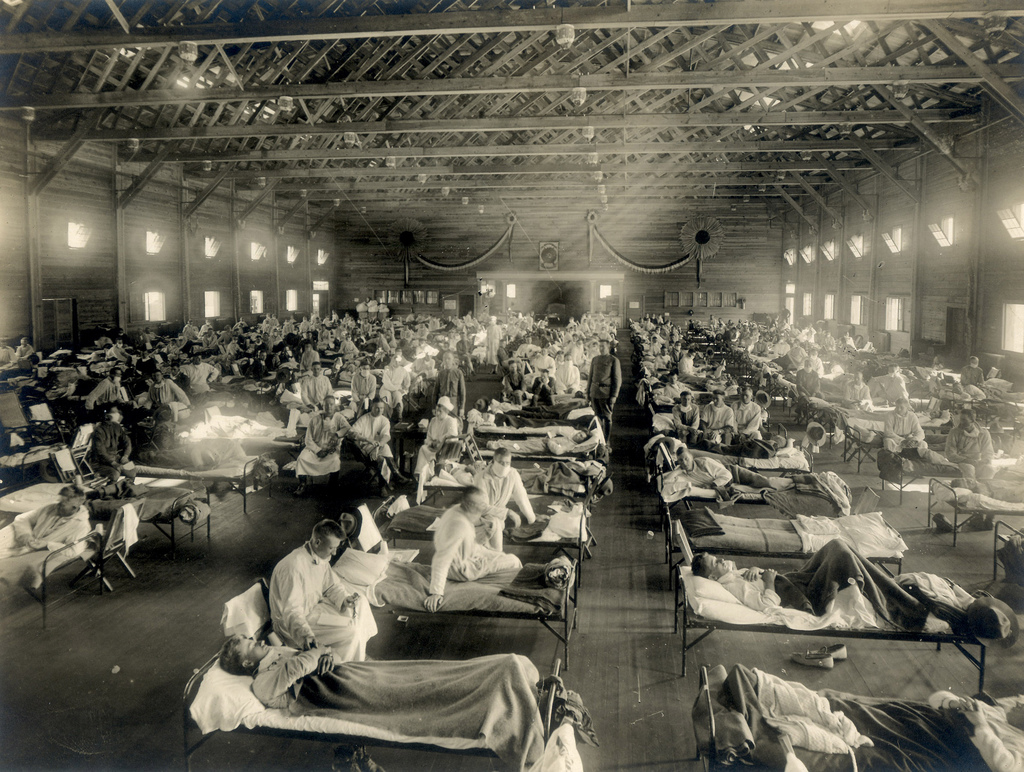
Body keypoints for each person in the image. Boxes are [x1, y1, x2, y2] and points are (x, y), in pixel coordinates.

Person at [216, 637, 545, 771]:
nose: (259, 641)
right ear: (247, 664)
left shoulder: (275, 656)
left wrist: (323, 653)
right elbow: (300, 666)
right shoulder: (261, 680)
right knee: (423, 693)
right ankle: (504, 686)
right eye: (252, 645)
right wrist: (314, 654)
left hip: (351, 673)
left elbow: (321, 652)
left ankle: (507, 675)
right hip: (338, 692)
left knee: (425, 674)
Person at [269, 519, 377, 661]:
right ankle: (349, 665)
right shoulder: (293, 567)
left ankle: (356, 650)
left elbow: (331, 586)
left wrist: (344, 599)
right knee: (351, 631)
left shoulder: (319, 556)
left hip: (313, 610)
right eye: (331, 548)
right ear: (317, 542)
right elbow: (292, 612)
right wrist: (305, 635)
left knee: (361, 601)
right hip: (293, 626)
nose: (334, 553)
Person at [424, 487, 523, 612]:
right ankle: (518, 594)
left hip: (467, 556)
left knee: (501, 556)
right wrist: (436, 592)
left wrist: (495, 554)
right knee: (514, 560)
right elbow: (441, 559)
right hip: (462, 570)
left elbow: (472, 545)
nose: (482, 511)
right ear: (471, 506)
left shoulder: (457, 510)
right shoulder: (459, 525)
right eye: (480, 508)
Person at [0, 484, 90, 600]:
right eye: (59, 501)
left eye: (63, 504)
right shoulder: (51, 508)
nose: (58, 506)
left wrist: (47, 544)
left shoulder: (80, 525)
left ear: (76, 506)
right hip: (28, 539)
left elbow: (74, 550)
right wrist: (26, 535)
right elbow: (23, 518)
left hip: (39, 549)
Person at [472, 448, 537, 541]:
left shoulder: (512, 474)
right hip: (481, 515)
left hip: (498, 515)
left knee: (497, 524)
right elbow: (482, 507)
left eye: (508, 463)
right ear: (494, 460)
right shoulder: (480, 477)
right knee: (494, 524)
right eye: (501, 463)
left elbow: (522, 497)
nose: (505, 466)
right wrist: (507, 512)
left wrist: (531, 519)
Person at [294, 396, 350, 496]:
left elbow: (347, 428)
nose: (329, 407)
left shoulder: (339, 417)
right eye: (326, 405)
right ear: (323, 406)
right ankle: (302, 484)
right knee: (302, 458)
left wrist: (337, 434)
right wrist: (318, 450)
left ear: (335, 406)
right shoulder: (314, 419)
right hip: (314, 448)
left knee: (335, 461)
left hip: (330, 449)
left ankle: (332, 485)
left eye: (331, 404)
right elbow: (308, 439)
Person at [349, 399, 404, 484]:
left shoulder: (384, 420)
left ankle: (396, 474)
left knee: (386, 448)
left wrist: (378, 445)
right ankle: (382, 486)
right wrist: (367, 439)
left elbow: (386, 436)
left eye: (382, 408)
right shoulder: (364, 419)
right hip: (366, 447)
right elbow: (351, 432)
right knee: (381, 460)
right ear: (372, 407)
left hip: (379, 446)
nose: (380, 410)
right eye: (377, 408)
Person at [944, 409, 995, 480]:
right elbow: (950, 453)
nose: (961, 422)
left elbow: (988, 452)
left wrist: (985, 461)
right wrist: (967, 461)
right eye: (960, 419)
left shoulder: (983, 433)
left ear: (972, 420)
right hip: (961, 461)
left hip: (978, 461)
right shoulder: (954, 432)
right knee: (970, 470)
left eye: (964, 420)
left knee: (990, 470)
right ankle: (970, 488)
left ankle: (982, 487)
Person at [414, 396, 460, 474]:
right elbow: (428, 437)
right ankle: (420, 474)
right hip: (433, 448)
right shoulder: (433, 420)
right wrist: (431, 443)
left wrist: (441, 441)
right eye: (436, 411)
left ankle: (431, 473)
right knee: (423, 448)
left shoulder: (451, 421)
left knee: (435, 456)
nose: (437, 413)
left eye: (440, 411)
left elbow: (453, 437)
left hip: (445, 450)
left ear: (446, 411)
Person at [588, 339, 621, 442]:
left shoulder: (613, 360)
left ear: (608, 347)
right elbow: (590, 377)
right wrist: (588, 393)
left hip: (606, 394)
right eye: (600, 346)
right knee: (597, 418)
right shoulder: (595, 359)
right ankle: (599, 440)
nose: (601, 348)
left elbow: (617, 380)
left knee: (607, 418)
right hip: (594, 392)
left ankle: (606, 442)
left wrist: (614, 396)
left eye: (603, 346)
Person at [88, 406, 133, 482]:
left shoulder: (117, 426)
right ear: (106, 417)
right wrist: (113, 463)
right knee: (115, 474)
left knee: (132, 469)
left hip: (115, 458)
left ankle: (126, 488)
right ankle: (110, 490)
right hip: (100, 462)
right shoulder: (99, 430)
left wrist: (125, 456)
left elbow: (127, 442)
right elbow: (101, 452)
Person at [433, 350, 466, 417]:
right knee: (441, 422)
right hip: (442, 401)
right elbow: (435, 392)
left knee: (453, 422)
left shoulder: (458, 373)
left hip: (453, 401)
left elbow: (462, 392)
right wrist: (434, 407)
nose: (447, 361)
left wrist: (462, 407)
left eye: (449, 358)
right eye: (445, 359)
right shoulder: (441, 373)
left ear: (453, 360)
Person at [380, 356, 410, 421]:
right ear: (392, 361)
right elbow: (386, 382)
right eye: (395, 361)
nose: (396, 363)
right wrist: (396, 388)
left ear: (400, 362)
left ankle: (399, 415)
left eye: (398, 361)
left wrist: (405, 387)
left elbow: (407, 380)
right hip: (386, 388)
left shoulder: (403, 370)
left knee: (398, 397)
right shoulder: (387, 369)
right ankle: (386, 416)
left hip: (398, 388)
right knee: (386, 397)